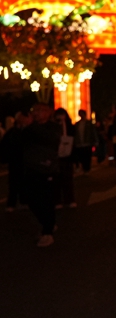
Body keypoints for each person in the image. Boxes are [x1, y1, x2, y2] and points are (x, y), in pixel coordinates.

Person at [23, 103, 61, 247]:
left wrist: (31, 126)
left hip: (47, 168)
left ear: (48, 112)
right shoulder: (29, 129)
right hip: (31, 168)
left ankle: (47, 232)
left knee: (46, 200)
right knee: (31, 200)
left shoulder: (53, 127)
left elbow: (50, 140)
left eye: (40, 110)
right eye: (34, 110)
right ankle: (47, 224)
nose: (36, 113)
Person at [0, 112, 30, 211]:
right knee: (16, 182)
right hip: (17, 159)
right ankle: (15, 202)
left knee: (18, 182)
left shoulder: (15, 132)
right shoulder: (15, 132)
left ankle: (16, 202)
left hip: (18, 159)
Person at [53, 108, 76, 208]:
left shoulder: (70, 127)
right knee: (56, 179)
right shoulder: (53, 127)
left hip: (67, 155)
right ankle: (58, 200)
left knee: (68, 178)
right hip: (56, 155)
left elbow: (73, 138)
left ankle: (69, 199)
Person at [72, 109, 98, 173]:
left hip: (87, 143)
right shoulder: (77, 124)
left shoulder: (89, 123)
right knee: (81, 156)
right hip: (79, 143)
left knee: (87, 156)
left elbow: (93, 132)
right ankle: (84, 168)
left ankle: (87, 168)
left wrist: (95, 141)